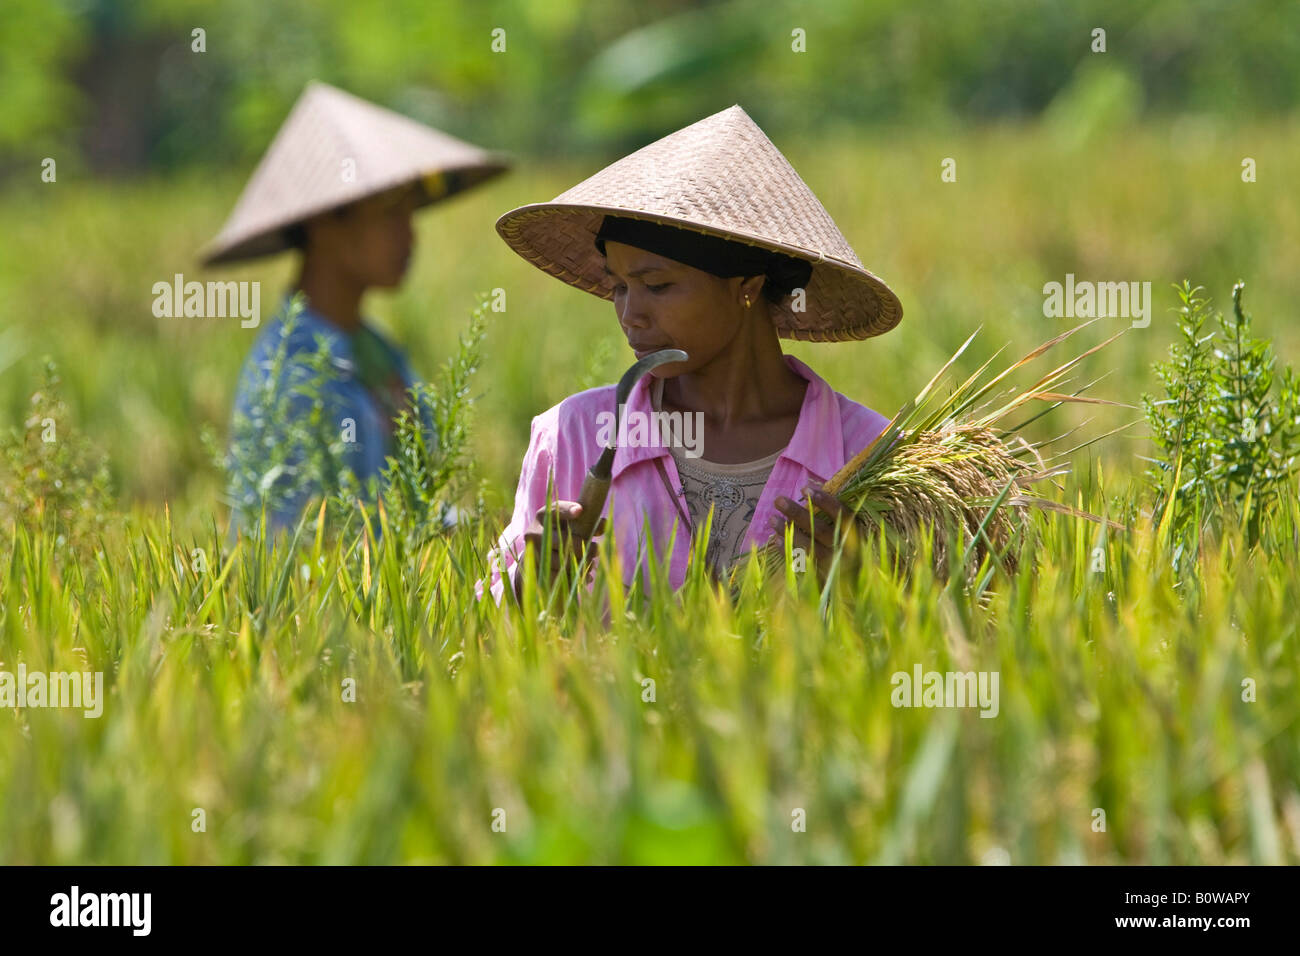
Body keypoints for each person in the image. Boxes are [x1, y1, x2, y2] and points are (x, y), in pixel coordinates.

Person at [479, 104, 903, 603]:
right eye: (618, 288)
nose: (629, 315)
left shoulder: (870, 454)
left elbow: (941, 629)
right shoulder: (574, 436)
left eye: (656, 286)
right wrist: (532, 589)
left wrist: (864, 587)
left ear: (746, 286)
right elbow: (482, 648)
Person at [200, 81, 508, 530]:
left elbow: (403, 513)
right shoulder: (292, 375)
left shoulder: (376, 352)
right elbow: (295, 548)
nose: (410, 234)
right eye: (390, 213)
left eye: (411, 214)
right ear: (325, 222)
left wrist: (493, 532)